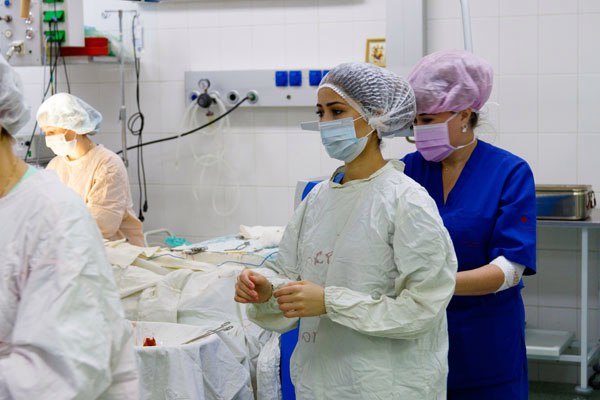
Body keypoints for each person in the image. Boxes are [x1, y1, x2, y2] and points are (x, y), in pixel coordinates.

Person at [235, 62, 458, 399]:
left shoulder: (406, 201)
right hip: (320, 380)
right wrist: (268, 290)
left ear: (377, 115)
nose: (325, 123)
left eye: (337, 111)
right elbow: (291, 277)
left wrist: (330, 302)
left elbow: (423, 308)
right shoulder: (319, 199)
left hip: (386, 384)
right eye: (320, 112)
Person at [0, 55, 138, 399]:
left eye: (54, 132)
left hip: (120, 252)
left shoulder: (55, 219)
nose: (50, 139)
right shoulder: (54, 171)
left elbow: (60, 375)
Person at [402, 49, 537, 399]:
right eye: (414, 121)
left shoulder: (509, 172)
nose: (419, 130)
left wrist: (434, 287)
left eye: (428, 119)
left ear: (464, 114)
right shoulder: (406, 171)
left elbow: (510, 269)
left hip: (486, 339)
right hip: (416, 336)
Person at [36, 93, 144, 246]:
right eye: (45, 132)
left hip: (117, 252)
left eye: (51, 131)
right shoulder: (55, 165)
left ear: (72, 127)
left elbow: (100, 226)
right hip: (72, 247)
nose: (48, 138)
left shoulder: (107, 164)